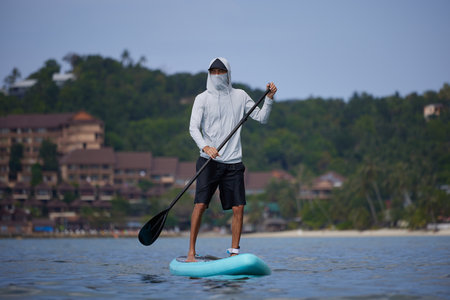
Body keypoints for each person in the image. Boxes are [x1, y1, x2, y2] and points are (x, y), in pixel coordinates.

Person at [186, 57, 277, 262]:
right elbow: (193, 127)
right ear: (209, 74)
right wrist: (205, 146)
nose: (217, 75)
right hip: (208, 161)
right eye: (214, 72)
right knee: (200, 205)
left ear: (228, 74)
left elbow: (262, 118)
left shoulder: (240, 96)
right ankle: (191, 252)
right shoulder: (202, 98)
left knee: (239, 207)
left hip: (234, 162)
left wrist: (269, 98)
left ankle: (234, 252)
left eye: (221, 71)